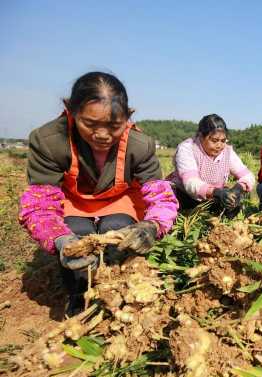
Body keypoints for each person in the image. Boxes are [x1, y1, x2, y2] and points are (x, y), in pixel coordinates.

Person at [18, 72, 178, 316]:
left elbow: (160, 196)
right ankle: (78, 294)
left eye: (114, 126)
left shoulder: (140, 145)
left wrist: (153, 226)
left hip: (120, 200)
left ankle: (116, 289)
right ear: (70, 111)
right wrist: (61, 240)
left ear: (128, 116)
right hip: (74, 201)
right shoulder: (48, 141)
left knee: (118, 230)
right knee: (77, 238)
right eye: (90, 124)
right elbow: (40, 205)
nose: (102, 135)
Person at [169, 114, 255, 217]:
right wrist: (216, 192)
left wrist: (238, 188)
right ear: (201, 136)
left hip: (212, 197)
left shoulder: (227, 151)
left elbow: (248, 176)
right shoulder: (187, 148)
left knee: (233, 204)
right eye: (214, 140)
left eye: (223, 141)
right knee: (172, 208)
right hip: (184, 196)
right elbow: (191, 183)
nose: (219, 146)